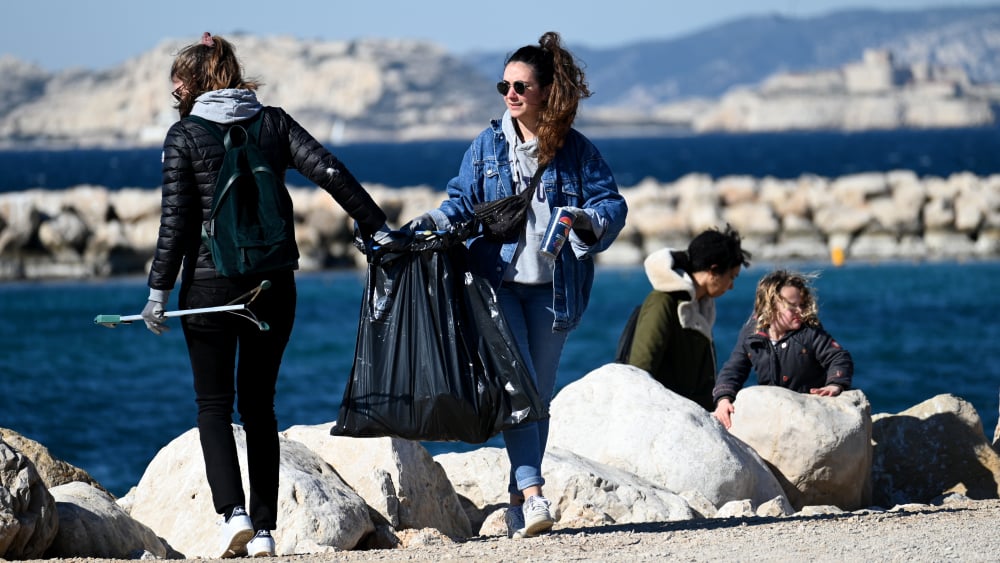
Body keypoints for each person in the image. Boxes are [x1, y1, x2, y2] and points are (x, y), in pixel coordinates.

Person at [139, 33, 390, 558]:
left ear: (193, 81)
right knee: (260, 407)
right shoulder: (272, 122)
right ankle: (267, 531)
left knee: (213, 405)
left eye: (177, 82)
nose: (174, 91)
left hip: (208, 288)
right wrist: (376, 225)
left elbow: (175, 225)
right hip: (272, 285)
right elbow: (329, 170)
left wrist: (158, 291)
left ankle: (233, 515)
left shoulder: (183, 136)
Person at [401, 31, 627, 539]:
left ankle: (516, 501)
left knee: (538, 396)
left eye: (521, 86)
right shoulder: (485, 147)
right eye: (504, 85)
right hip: (497, 285)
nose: (511, 94)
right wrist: (426, 223)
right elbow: (460, 200)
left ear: (545, 91)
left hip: (555, 289)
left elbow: (613, 204)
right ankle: (535, 493)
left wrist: (586, 218)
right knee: (520, 386)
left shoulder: (575, 151)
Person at [624, 226, 751, 410]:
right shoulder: (663, 302)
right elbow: (640, 370)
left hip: (691, 417)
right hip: (665, 417)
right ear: (713, 271)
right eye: (731, 277)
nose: (731, 286)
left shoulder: (700, 307)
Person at [712, 269, 854, 429]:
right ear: (769, 308)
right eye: (792, 307)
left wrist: (834, 384)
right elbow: (733, 370)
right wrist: (723, 399)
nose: (800, 311)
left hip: (808, 412)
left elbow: (839, 358)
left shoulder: (810, 333)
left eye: (802, 304)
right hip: (775, 412)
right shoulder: (752, 335)